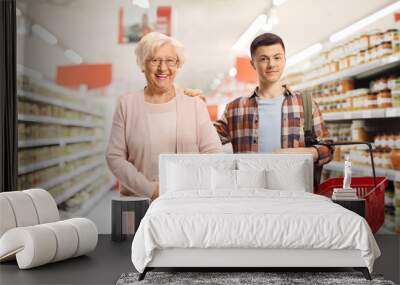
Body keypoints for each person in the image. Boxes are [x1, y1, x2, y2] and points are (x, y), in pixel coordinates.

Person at [106, 32, 223, 201]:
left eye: (170, 61)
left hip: (187, 200)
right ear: (142, 64)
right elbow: (114, 157)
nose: (163, 68)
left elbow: (214, 154)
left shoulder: (194, 104)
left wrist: (188, 186)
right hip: (138, 201)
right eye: (154, 60)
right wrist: (151, 190)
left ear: (178, 64)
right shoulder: (126, 104)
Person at [213, 33, 333, 187]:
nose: (271, 64)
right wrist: (195, 106)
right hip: (249, 193)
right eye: (263, 59)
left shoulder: (306, 104)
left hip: (296, 195)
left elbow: (328, 149)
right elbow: (208, 139)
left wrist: (305, 153)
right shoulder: (235, 109)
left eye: (277, 57)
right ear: (253, 64)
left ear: (284, 59)